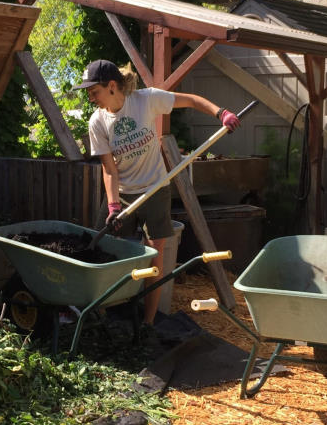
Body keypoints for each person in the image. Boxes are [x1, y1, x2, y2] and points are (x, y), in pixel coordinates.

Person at [74, 59, 240, 325]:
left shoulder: (146, 101)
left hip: (155, 188)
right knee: (106, 252)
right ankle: (105, 314)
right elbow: (109, 170)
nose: (91, 98)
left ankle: (148, 322)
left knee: (154, 258)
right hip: (124, 194)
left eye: (94, 91)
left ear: (112, 86)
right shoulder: (98, 122)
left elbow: (193, 100)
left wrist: (221, 113)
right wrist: (114, 205)